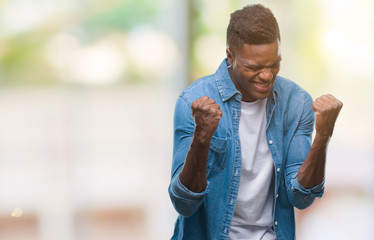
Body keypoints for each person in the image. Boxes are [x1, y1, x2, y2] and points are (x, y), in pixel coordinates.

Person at [168, 4, 342, 240]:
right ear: (231, 56)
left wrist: (323, 136)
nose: (267, 75)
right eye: (254, 67)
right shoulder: (193, 101)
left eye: (274, 64)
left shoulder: (297, 103)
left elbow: (302, 198)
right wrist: (202, 136)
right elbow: (184, 204)